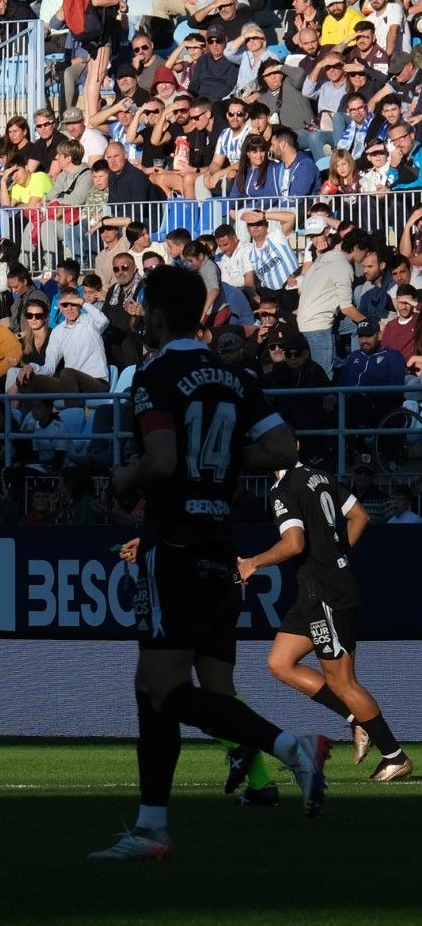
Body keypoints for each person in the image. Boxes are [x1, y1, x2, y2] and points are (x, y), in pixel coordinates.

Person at [90, 267, 325, 862]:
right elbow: (280, 450)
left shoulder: (155, 371)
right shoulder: (235, 374)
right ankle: (151, 828)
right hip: (221, 549)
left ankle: (287, 746)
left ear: (160, 315)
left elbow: (162, 460)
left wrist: (125, 476)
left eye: (144, 309)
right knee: (173, 688)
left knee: (164, 691)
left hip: (173, 545)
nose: (140, 319)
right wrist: (216, 462)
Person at [237, 461, 412, 783]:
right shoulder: (321, 476)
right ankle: (356, 717)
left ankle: (394, 756)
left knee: (342, 682)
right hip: (313, 592)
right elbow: (360, 515)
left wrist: (254, 562)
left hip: (326, 594)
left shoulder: (284, 487)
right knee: (280, 663)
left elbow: (293, 544)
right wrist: (337, 556)